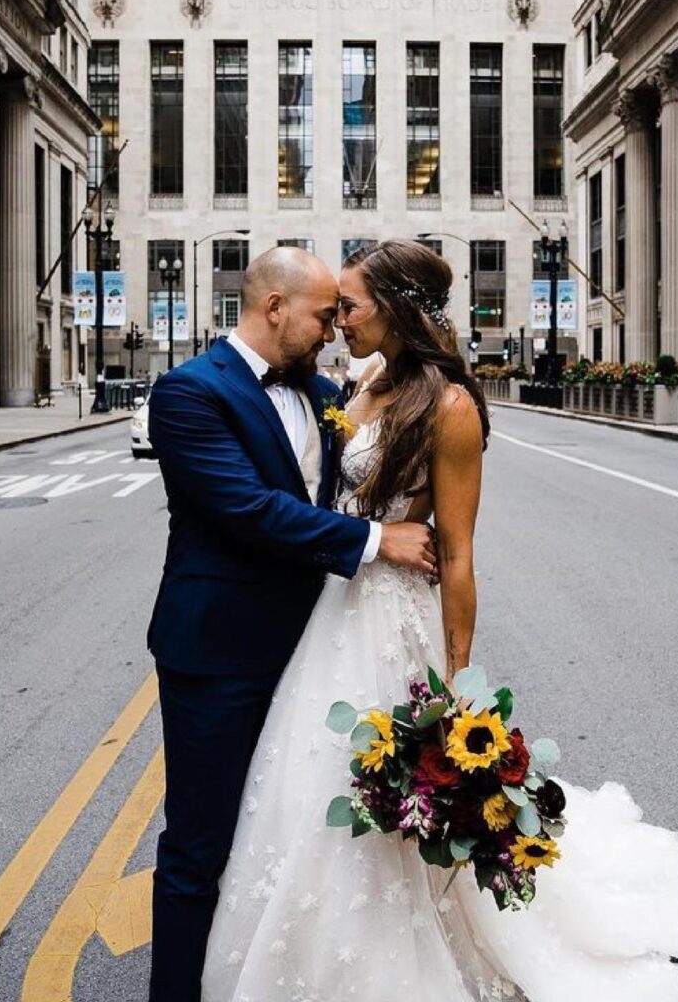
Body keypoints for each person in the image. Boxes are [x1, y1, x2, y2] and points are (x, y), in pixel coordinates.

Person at [202, 240, 678, 1002]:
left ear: (395, 308)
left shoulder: (448, 407)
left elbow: (457, 556)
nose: (338, 319)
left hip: (391, 621)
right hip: (336, 606)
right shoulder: (368, 381)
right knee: (307, 778)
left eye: (350, 305)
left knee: (389, 787)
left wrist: (457, 682)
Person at [146, 246, 439, 1002]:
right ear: (275, 307)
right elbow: (247, 508)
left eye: (344, 312)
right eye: (321, 314)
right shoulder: (187, 394)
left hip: (313, 647)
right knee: (199, 845)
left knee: (281, 835)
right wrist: (378, 542)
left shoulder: (321, 391)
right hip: (219, 652)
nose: (334, 329)